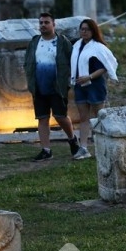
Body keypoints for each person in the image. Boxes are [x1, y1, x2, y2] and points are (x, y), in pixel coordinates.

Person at [24, 12, 80, 161]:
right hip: (39, 87)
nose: (43, 25)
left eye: (46, 22)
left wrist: (70, 80)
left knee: (60, 116)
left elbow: (72, 60)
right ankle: (46, 150)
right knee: (42, 118)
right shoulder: (34, 42)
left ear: (53, 24)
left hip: (57, 86)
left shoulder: (62, 42)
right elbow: (27, 61)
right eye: (41, 22)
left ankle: (72, 139)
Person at [70, 18, 118, 160]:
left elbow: (106, 66)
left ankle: (103, 146)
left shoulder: (98, 47)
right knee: (83, 117)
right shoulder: (77, 46)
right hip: (80, 85)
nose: (84, 32)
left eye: (87, 29)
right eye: (82, 29)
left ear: (93, 31)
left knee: (99, 117)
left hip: (95, 85)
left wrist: (89, 77)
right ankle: (83, 147)